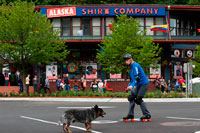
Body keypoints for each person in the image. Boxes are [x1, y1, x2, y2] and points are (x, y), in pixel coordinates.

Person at [122, 53, 151, 120]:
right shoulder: (130, 67)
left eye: (127, 60)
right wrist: (129, 86)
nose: (126, 62)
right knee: (131, 97)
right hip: (138, 85)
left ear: (130, 59)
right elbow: (132, 79)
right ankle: (130, 114)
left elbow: (136, 78)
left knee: (138, 99)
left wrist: (132, 86)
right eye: (125, 61)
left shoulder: (135, 66)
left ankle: (147, 114)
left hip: (144, 84)